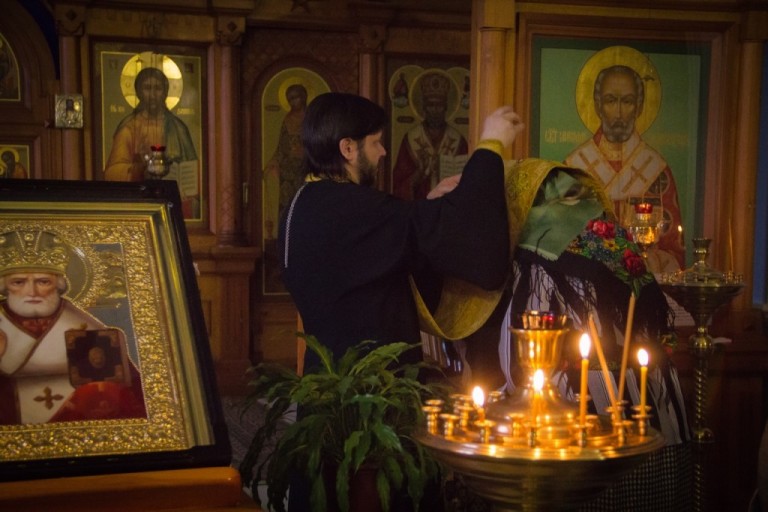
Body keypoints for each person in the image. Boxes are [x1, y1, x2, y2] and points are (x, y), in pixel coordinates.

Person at [277, 92, 523, 511]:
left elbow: (390, 238)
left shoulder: (303, 203)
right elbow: (460, 233)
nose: (383, 152)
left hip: (326, 389)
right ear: (348, 148)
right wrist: (490, 146)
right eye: (375, 142)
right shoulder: (355, 208)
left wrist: (428, 208)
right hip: (374, 400)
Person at [0, 230, 146, 425]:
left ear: (59, 285)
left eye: (43, 282)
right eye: (18, 282)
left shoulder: (86, 327)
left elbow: (130, 395)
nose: (32, 292)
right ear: (5, 286)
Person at [565, 64, 685, 274]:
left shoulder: (657, 170)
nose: (619, 112)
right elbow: (561, 240)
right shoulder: (575, 167)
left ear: (639, 107)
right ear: (598, 105)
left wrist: (648, 259)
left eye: (627, 101)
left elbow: (673, 250)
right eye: (611, 101)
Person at [104, 67, 199, 217]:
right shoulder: (129, 128)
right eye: (147, 88)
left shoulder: (178, 128)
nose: (153, 95)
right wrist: (139, 169)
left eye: (158, 88)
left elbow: (194, 173)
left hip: (172, 201)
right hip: (138, 204)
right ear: (139, 92)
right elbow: (111, 172)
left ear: (165, 92)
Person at [392, 72, 469, 200]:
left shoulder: (459, 141)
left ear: (445, 107)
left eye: (439, 105)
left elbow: (469, 182)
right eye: (430, 105)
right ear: (424, 107)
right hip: (419, 208)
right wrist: (419, 174)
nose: (435, 110)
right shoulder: (410, 139)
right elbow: (399, 185)